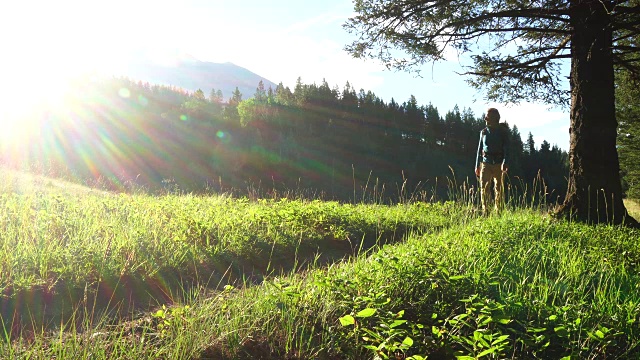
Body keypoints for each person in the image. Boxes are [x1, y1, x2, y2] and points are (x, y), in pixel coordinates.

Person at [475, 108, 509, 215]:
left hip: (499, 163)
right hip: (486, 163)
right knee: (484, 188)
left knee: (499, 189)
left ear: (495, 118)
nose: (486, 118)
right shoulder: (483, 132)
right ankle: (487, 212)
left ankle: (499, 212)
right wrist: (477, 165)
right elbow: (479, 149)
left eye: (488, 116)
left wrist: (505, 161)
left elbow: (507, 148)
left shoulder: (503, 132)